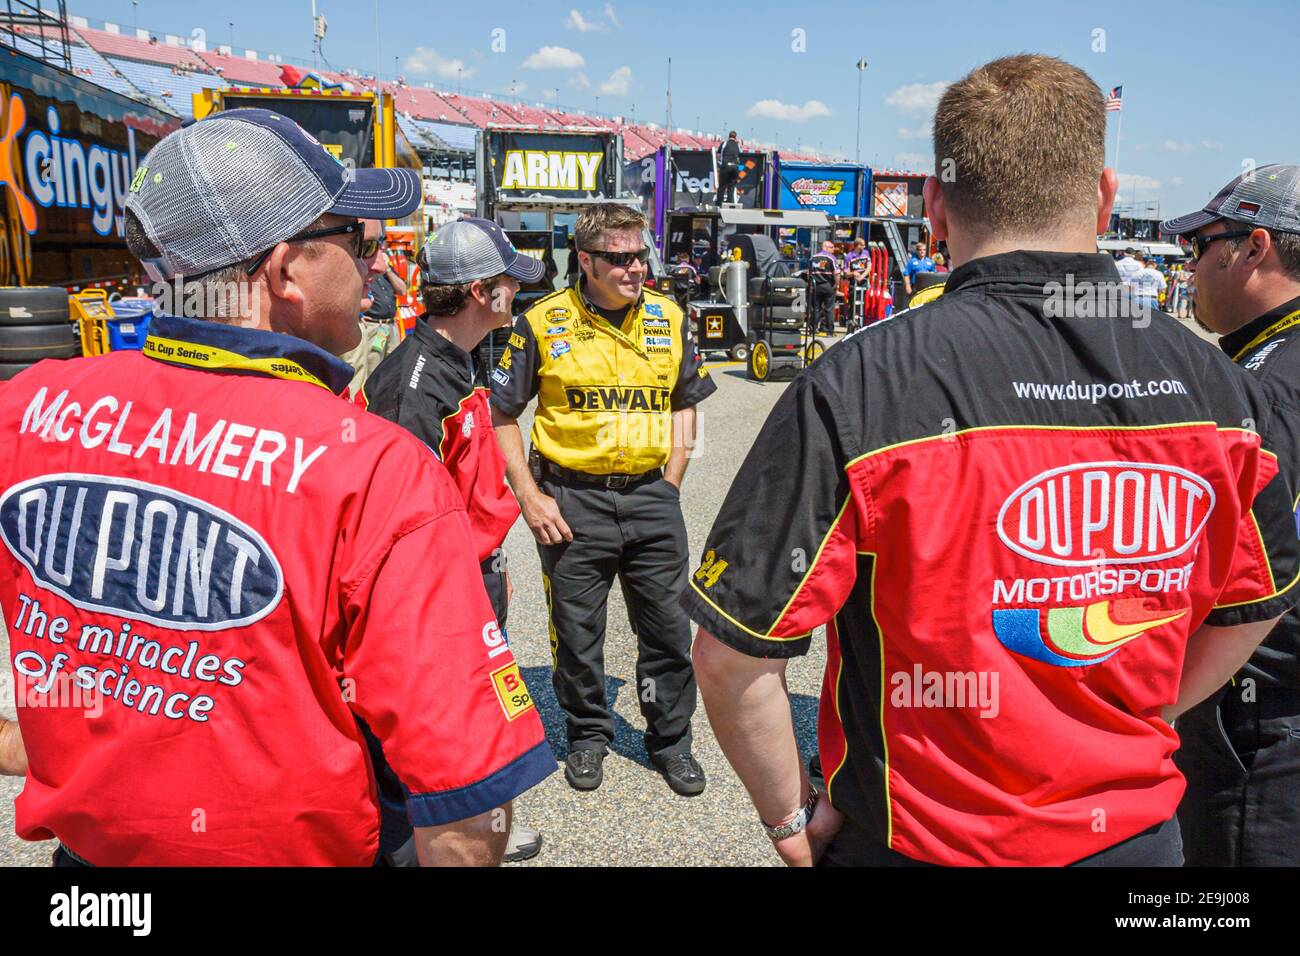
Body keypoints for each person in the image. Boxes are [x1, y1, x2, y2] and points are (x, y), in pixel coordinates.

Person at [680, 54, 1300, 868]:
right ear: (1105, 195)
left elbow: (732, 652)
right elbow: (1258, 601)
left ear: (933, 205)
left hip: (920, 841)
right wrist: (1146, 713)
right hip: (1134, 843)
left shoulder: (860, 383)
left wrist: (787, 819)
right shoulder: (1218, 387)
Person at [0, 109, 553, 866]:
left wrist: (43, 739)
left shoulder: (28, 407)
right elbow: (465, 804)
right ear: (287, 268)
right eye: (359, 244)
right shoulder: (376, 470)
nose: (375, 269)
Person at [490, 202, 717, 796]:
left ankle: (671, 742)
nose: (636, 267)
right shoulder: (541, 321)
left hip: (651, 499)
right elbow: (502, 414)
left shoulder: (670, 317)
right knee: (577, 632)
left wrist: (672, 480)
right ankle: (588, 736)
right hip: (571, 501)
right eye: (619, 258)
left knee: (668, 630)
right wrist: (531, 498)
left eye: (640, 255)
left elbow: (685, 400)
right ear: (585, 260)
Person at [356, 217, 551, 864]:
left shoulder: (455, 361)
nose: (516, 297)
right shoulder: (414, 385)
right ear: (477, 292)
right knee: (439, 717)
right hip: (443, 588)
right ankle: (422, 838)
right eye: (507, 285)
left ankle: (472, 820)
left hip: (474, 575)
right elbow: (392, 526)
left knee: (475, 713)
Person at [1159, 164, 1300, 866]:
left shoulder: (1267, 387)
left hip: (1260, 727)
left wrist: (1159, 708)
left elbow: (1265, 574)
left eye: (1200, 245)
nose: (1190, 265)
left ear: (1255, 248)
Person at [341, 236, 409, 394]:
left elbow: (402, 289)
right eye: (370, 248)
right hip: (373, 327)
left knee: (394, 368)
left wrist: (388, 269)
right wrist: (358, 313)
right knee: (370, 370)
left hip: (390, 326)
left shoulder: (382, 269)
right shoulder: (364, 271)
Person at [715, 131, 741, 207]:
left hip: (726, 166)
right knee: (731, 186)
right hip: (735, 167)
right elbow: (739, 155)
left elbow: (719, 154)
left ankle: (719, 203)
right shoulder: (737, 145)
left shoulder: (724, 143)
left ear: (728, 136)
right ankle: (730, 203)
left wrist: (719, 162)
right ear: (736, 137)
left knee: (722, 185)